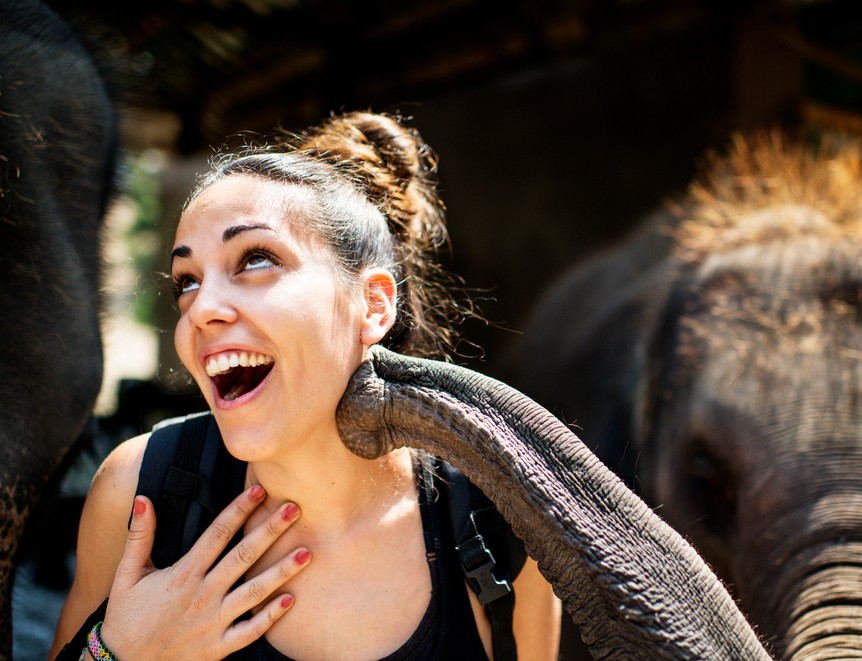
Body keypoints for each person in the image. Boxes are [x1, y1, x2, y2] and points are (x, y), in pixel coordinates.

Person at [49, 111, 562, 660]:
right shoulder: (137, 492)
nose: (200, 309)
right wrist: (120, 650)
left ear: (373, 305)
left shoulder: (499, 518)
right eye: (187, 282)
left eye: (254, 259)